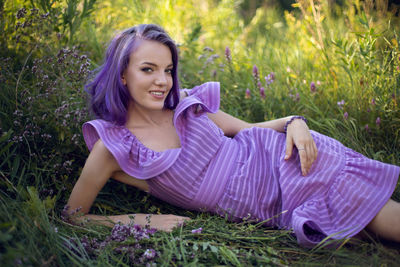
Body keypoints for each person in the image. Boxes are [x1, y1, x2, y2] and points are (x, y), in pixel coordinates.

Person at [66, 24, 400, 248]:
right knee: (367, 232)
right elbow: (74, 217)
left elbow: (248, 130)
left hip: (286, 160)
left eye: (167, 70)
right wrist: (146, 220)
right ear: (122, 74)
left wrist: (294, 121)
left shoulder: (187, 105)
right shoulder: (114, 146)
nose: (163, 81)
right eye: (148, 69)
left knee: (383, 220)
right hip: (272, 202)